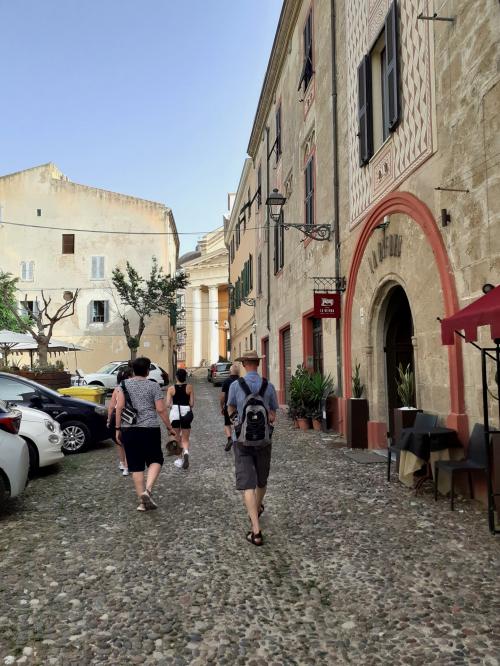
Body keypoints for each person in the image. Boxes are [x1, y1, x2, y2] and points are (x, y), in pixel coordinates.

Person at [227, 350, 278, 547]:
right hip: (264, 440)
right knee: (261, 480)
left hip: (242, 441)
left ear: (244, 364)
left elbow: (230, 407)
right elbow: (273, 414)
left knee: (247, 483)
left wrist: (237, 423)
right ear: (257, 363)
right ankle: (256, 509)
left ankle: (256, 531)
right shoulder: (269, 386)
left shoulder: (235, 386)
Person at [115, 356, 177, 512]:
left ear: (133, 370)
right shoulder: (153, 386)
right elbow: (161, 409)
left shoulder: (122, 385)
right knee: (156, 459)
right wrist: (169, 428)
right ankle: (147, 491)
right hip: (150, 428)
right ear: (148, 371)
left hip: (129, 429)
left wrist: (117, 429)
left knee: (135, 466)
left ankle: (142, 502)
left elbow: (119, 407)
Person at [107, 366, 133, 476]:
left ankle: (122, 463)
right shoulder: (132, 387)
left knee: (119, 442)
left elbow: (111, 406)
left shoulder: (117, 389)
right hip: (128, 418)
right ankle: (127, 467)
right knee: (127, 443)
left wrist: (108, 419)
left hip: (115, 418)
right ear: (129, 377)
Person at [166, 368, 194, 470]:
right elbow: (192, 404)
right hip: (186, 413)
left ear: (176, 377)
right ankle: (186, 452)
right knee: (185, 438)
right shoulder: (190, 387)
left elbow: (167, 404)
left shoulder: (171, 389)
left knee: (177, 437)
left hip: (175, 414)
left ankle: (180, 459)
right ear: (185, 377)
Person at [219, 363, 240, 451]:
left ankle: (229, 439)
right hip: (240, 406)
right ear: (238, 372)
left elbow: (223, 396)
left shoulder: (226, 381)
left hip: (229, 406)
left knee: (227, 424)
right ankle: (238, 440)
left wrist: (222, 406)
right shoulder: (241, 381)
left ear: (229, 372)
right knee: (239, 423)